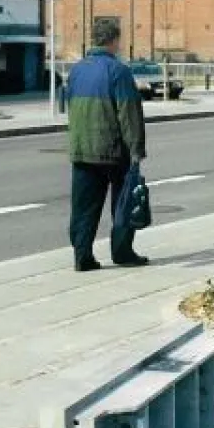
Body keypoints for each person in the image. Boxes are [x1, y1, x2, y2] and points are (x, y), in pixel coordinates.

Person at [63, 22, 149, 272]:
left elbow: (70, 105)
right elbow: (129, 113)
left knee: (83, 206)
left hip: (81, 148)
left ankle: (82, 255)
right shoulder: (118, 71)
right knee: (122, 203)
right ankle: (122, 253)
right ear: (114, 41)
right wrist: (136, 150)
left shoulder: (77, 70)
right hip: (113, 150)